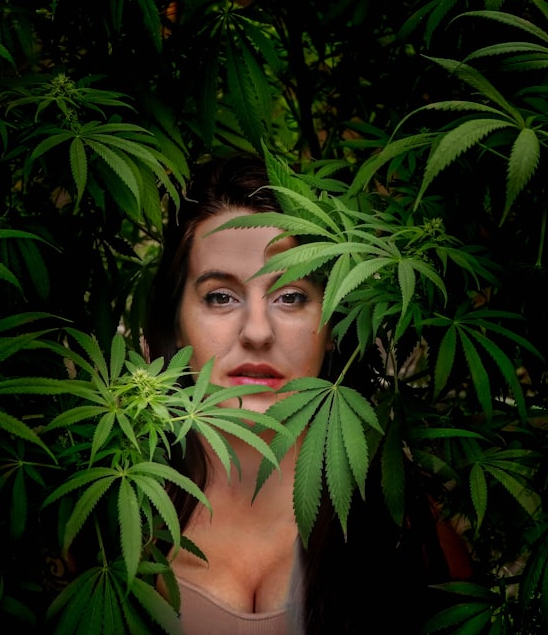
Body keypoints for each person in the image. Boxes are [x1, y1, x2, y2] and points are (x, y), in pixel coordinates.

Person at [145, 153, 460, 634]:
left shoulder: (397, 524)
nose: (256, 332)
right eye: (220, 296)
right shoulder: (119, 517)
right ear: (177, 324)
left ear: (334, 324)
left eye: (290, 296)